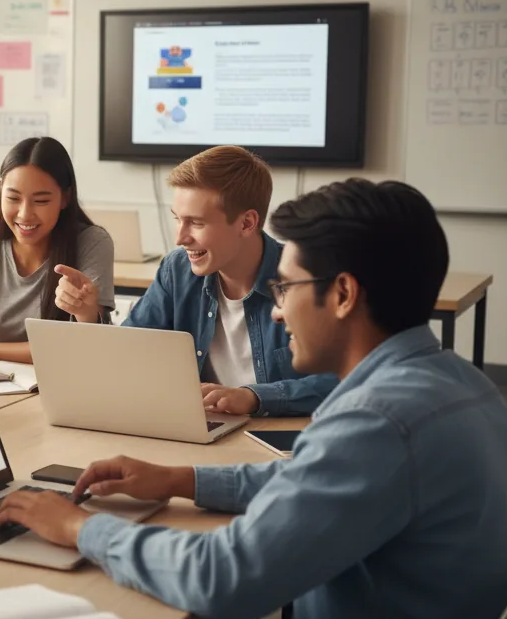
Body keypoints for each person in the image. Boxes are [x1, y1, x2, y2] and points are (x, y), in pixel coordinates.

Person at [0, 179, 507, 619]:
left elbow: (223, 580)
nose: (275, 308)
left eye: (286, 288)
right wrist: (180, 480)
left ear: (342, 294)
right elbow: (309, 483)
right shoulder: (462, 382)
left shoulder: (376, 422)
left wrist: (78, 528)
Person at [63, 145, 334, 416]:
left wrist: (254, 397)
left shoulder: (303, 280)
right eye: (177, 219)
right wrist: (89, 318)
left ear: (247, 223)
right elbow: (129, 355)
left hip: (275, 440)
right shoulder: (176, 270)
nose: (180, 238)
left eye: (196, 223)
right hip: (203, 430)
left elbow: (344, 380)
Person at [0, 136, 113, 366]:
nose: (25, 214)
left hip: (61, 379)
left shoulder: (93, 242)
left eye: (41, 201)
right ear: (0, 191)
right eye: (13, 198)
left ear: (65, 198)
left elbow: (75, 347)